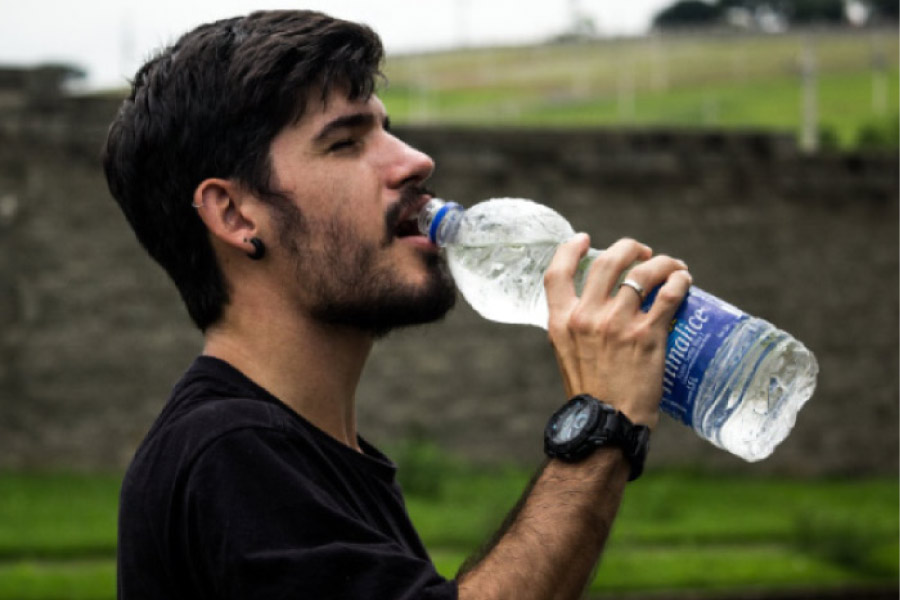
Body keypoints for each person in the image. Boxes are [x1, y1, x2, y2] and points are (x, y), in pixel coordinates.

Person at [103, 10, 691, 600]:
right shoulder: (229, 452)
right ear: (235, 215)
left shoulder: (309, 453)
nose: (415, 161)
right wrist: (601, 426)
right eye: (345, 143)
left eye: (388, 130)